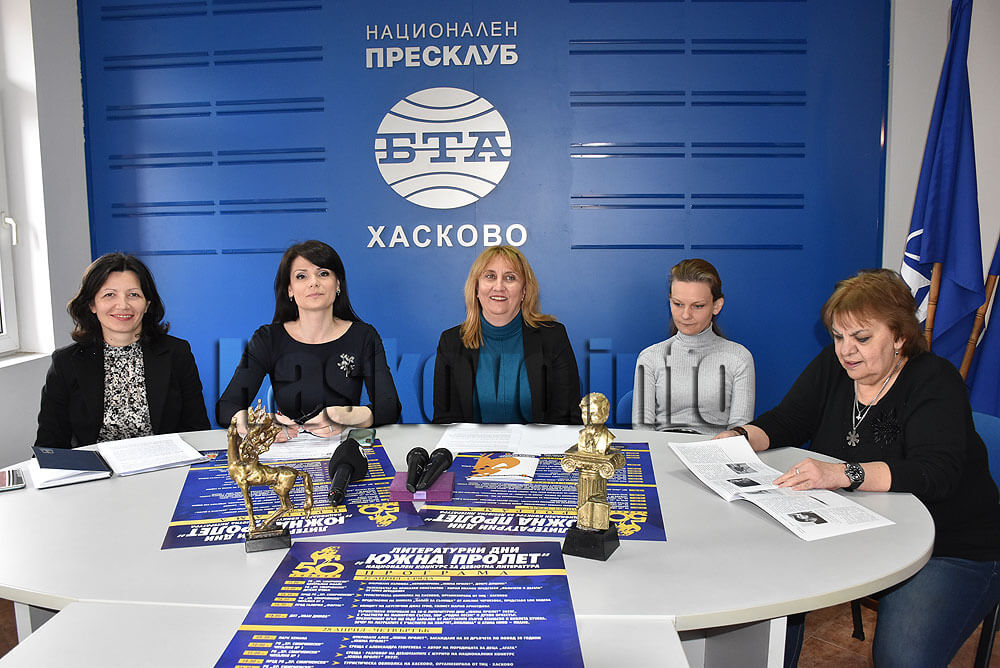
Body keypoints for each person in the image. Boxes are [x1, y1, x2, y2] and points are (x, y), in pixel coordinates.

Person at [717, 269, 1000, 667]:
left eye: (862, 338)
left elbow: (934, 473)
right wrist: (738, 437)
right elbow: (787, 421)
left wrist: (843, 474)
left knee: (902, 658)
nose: (846, 350)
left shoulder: (935, 381)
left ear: (899, 336)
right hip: (849, 527)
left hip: (949, 546)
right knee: (765, 595)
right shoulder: (835, 367)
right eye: (838, 336)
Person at [217, 240, 400, 439]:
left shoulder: (363, 336)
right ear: (290, 289)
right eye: (301, 276)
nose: (314, 282)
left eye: (323, 273)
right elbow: (226, 407)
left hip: (345, 446)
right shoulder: (268, 339)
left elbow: (389, 406)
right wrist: (260, 425)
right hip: (288, 447)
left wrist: (346, 416)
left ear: (338, 284)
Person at [34, 253, 210, 448]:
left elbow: (198, 430)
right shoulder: (66, 362)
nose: (123, 305)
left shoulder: (177, 353)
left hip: (164, 463)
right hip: (96, 466)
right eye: (109, 295)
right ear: (92, 304)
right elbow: (49, 444)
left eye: (133, 295)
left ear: (147, 304)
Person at [433, 245, 582, 424]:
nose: (499, 287)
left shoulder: (553, 337)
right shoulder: (451, 342)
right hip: (472, 444)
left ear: (524, 291)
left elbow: (567, 419)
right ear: (476, 288)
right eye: (490, 276)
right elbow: (445, 421)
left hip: (537, 443)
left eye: (510, 278)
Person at [632, 258, 755, 435]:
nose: (685, 315)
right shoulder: (650, 357)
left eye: (697, 306)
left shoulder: (739, 358)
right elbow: (642, 431)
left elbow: (738, 431)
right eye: (678, 304)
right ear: (669, 301)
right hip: (662, 448)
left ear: (717, 306)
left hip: (715, 448)